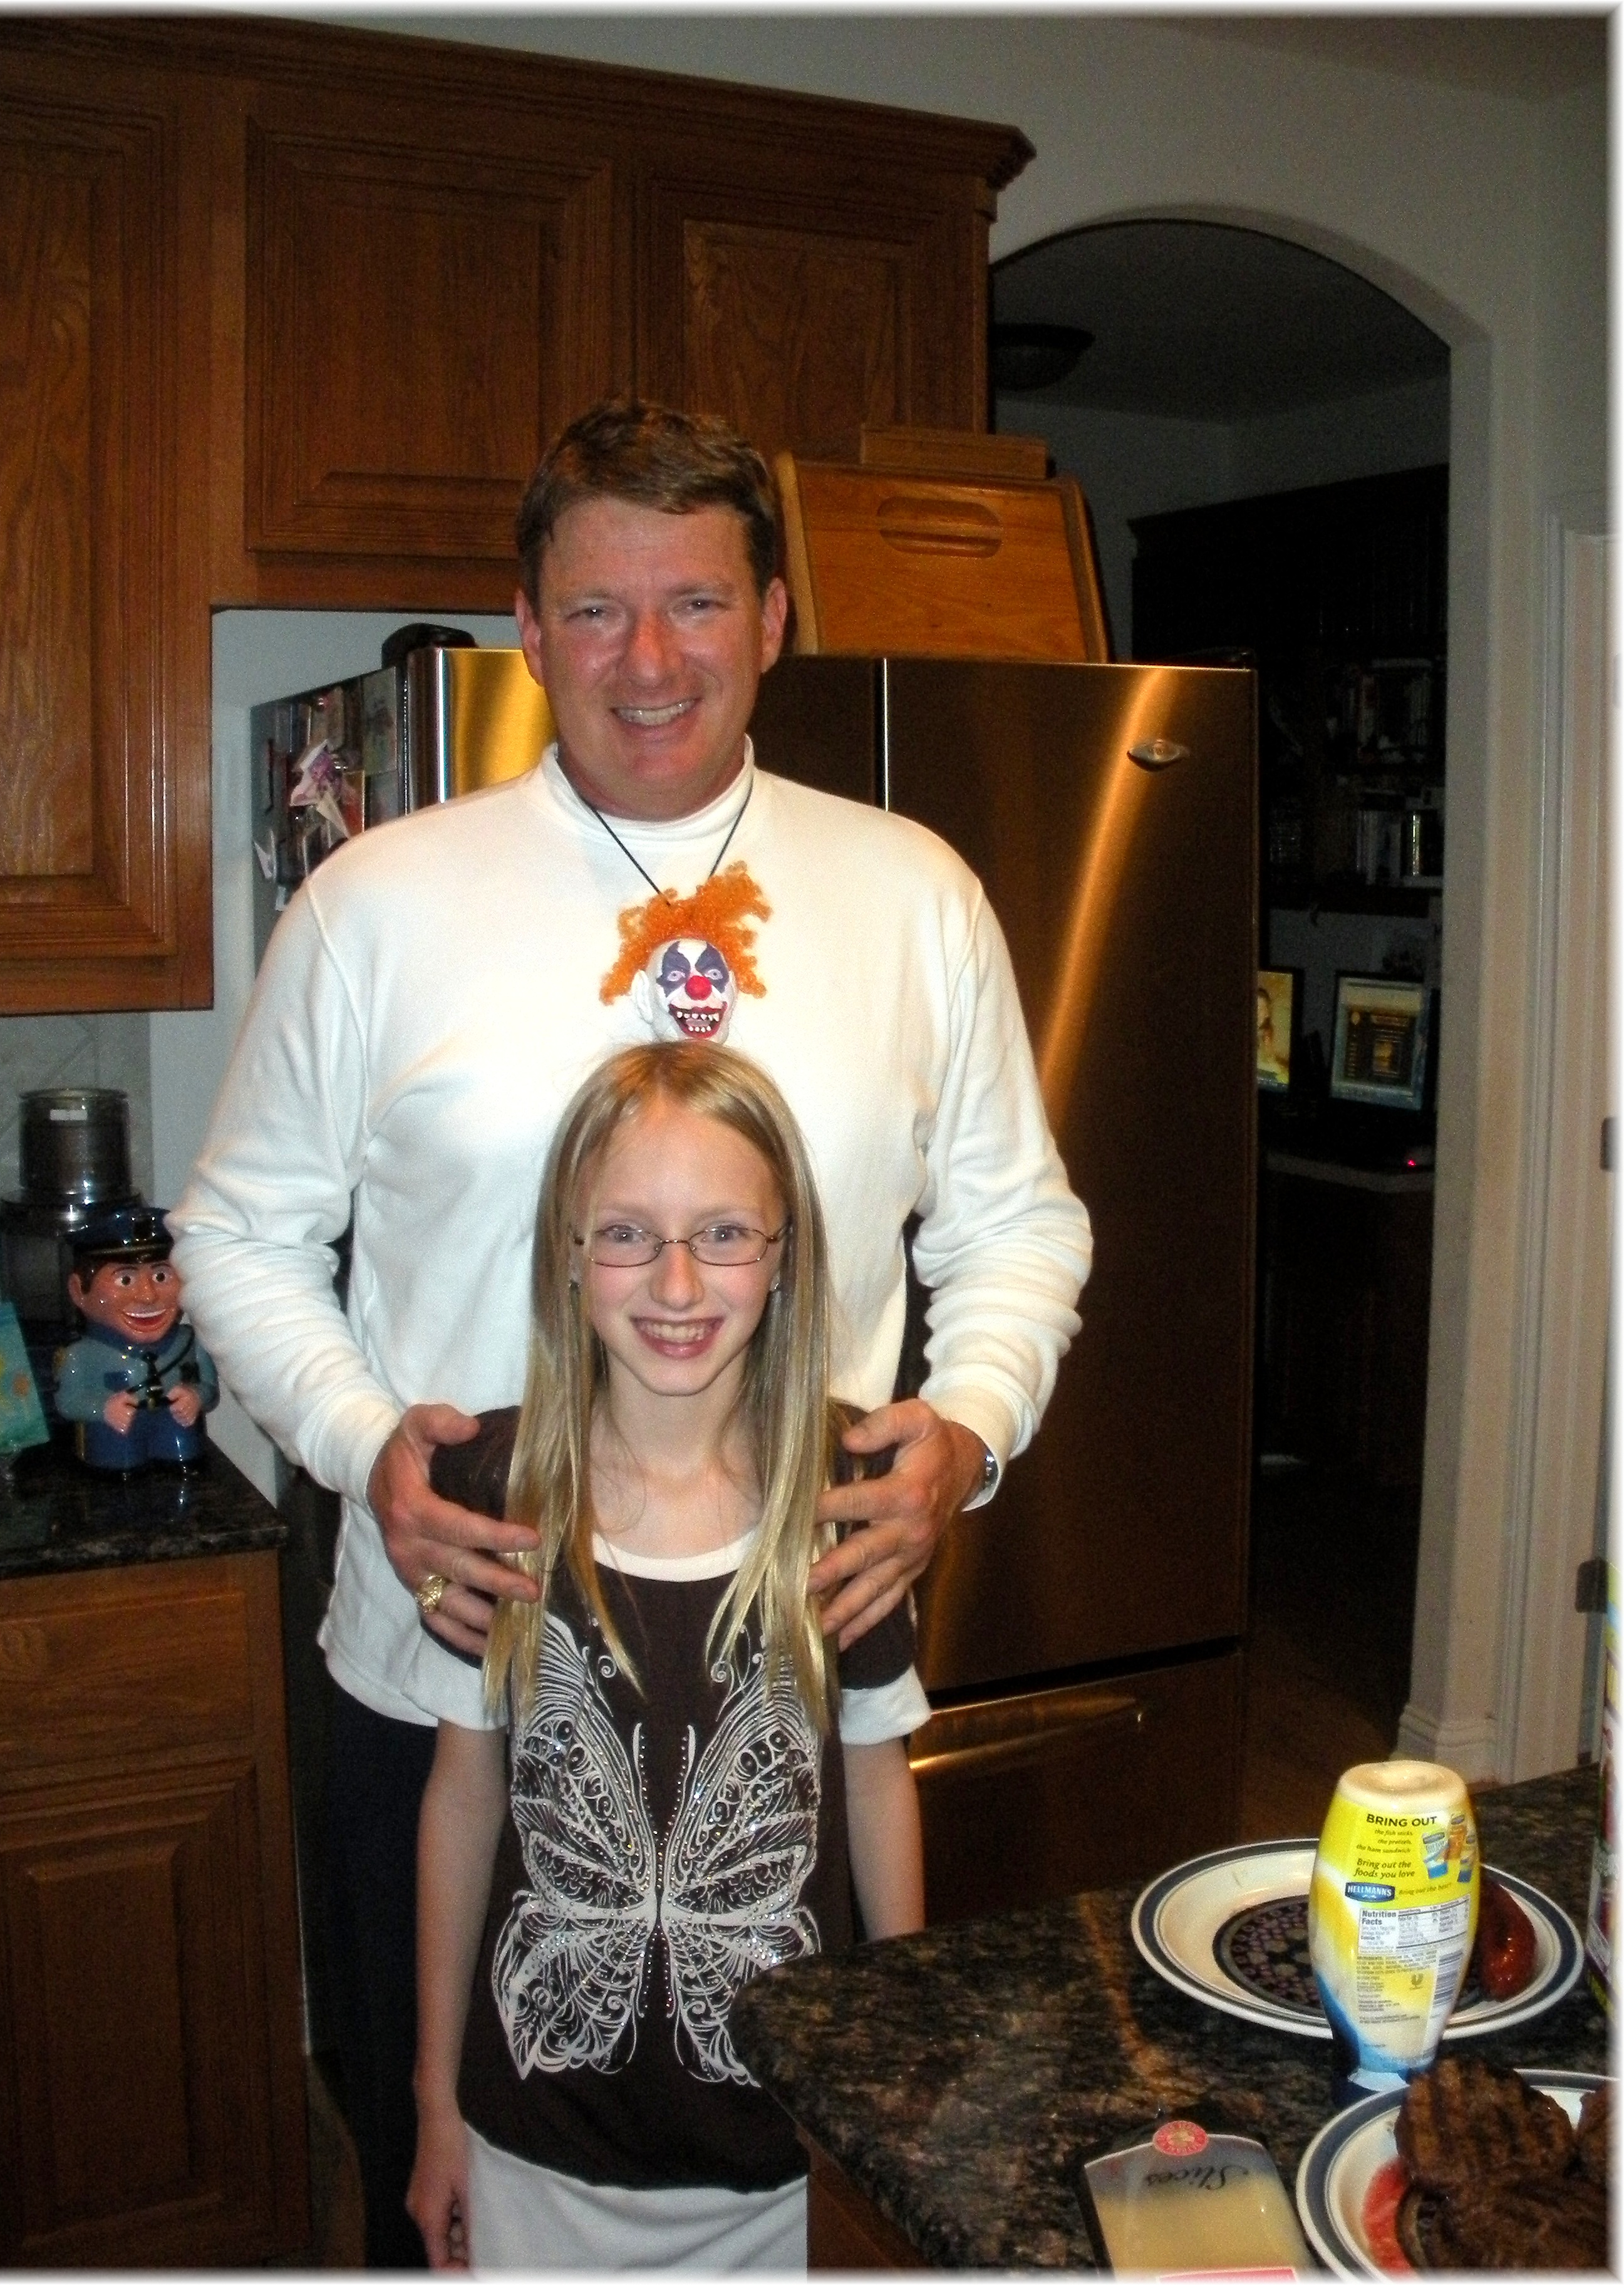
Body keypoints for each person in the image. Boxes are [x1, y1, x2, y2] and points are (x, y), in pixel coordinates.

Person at [170, 399, 1091, 2265]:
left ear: (773, 618)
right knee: (447, 2180)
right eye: (595, 609)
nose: (647, 658)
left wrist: (967, 1430)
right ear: (528, 627)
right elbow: (237, 1234)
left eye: (695, 602)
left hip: (791, 1691)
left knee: (795, 2177)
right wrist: (363, 1450)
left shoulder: (912, 891)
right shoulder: (375, 903)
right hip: (452, 1683)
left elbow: (1018, 1226)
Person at [407, 1041, 926, 2270]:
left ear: (785, 1254)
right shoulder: (493, 1492)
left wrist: (902, 2067)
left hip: (782, 2163)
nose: (677, 1282)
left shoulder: (848, 1497)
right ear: (567, 1252)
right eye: (628, 1234)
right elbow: (464, 1799)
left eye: (725, 1234)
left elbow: (875, 1786)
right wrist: (433, 2102)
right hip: (531, 2155)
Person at [56, 1205, 218, 1473]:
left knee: (185, 1462)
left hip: (177, 1425)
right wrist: (103, 1409)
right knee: (120, 1467)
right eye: (126, 1280)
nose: (148, 1296)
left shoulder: (190, 1342)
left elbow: (209, 1388)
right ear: (78, 1292)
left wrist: (196, 1396)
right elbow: (68, 1402)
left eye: (161, 1276)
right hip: (116, 1432)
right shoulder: (81, 1354)